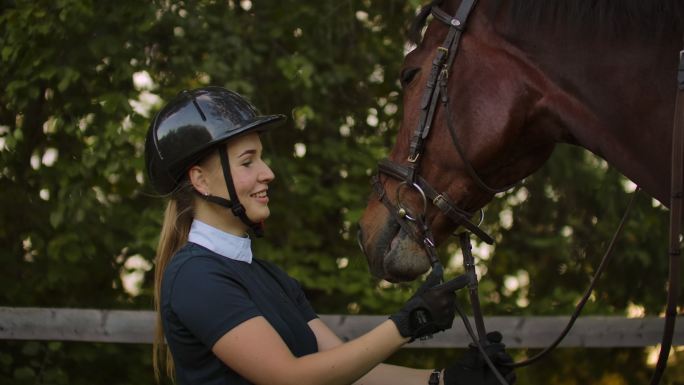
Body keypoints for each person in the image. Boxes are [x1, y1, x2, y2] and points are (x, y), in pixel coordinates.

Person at [146, 86, 516, 385]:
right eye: (248, 161)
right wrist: (408, 322)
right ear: (200, 179)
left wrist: (443, 380)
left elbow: (341, 370)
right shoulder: (196, 277)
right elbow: (288, 377)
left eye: (261, 158)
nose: (268, 173)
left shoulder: (269, 277)